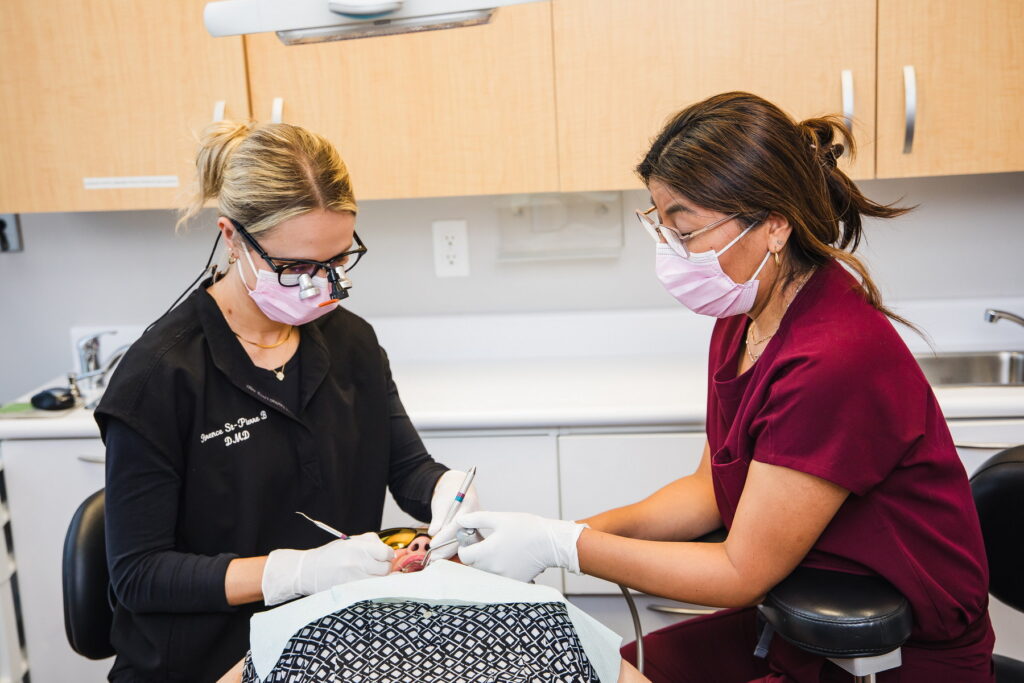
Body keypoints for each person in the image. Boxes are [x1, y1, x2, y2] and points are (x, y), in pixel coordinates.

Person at [442, 92, 994, 681]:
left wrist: (563, 549)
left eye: (686, 231)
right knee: (606, 667)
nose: (672, 254)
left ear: (774, 225)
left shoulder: (833, 357)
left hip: (892, 653)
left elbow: (740, 572)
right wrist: (560, 532)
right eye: (662, 228)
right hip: (792, 621)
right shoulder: (744, 316)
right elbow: (707, 490)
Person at [95, 120, 479, 682]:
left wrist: (446, 493)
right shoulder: (160, 377)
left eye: (338, 260)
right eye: (295, 267)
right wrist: (294, 573)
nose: (321, 286)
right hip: (201, 660)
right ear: (232, 238)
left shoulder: (350, 342)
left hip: (327, 646)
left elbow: (406, 468)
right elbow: (140, 575)